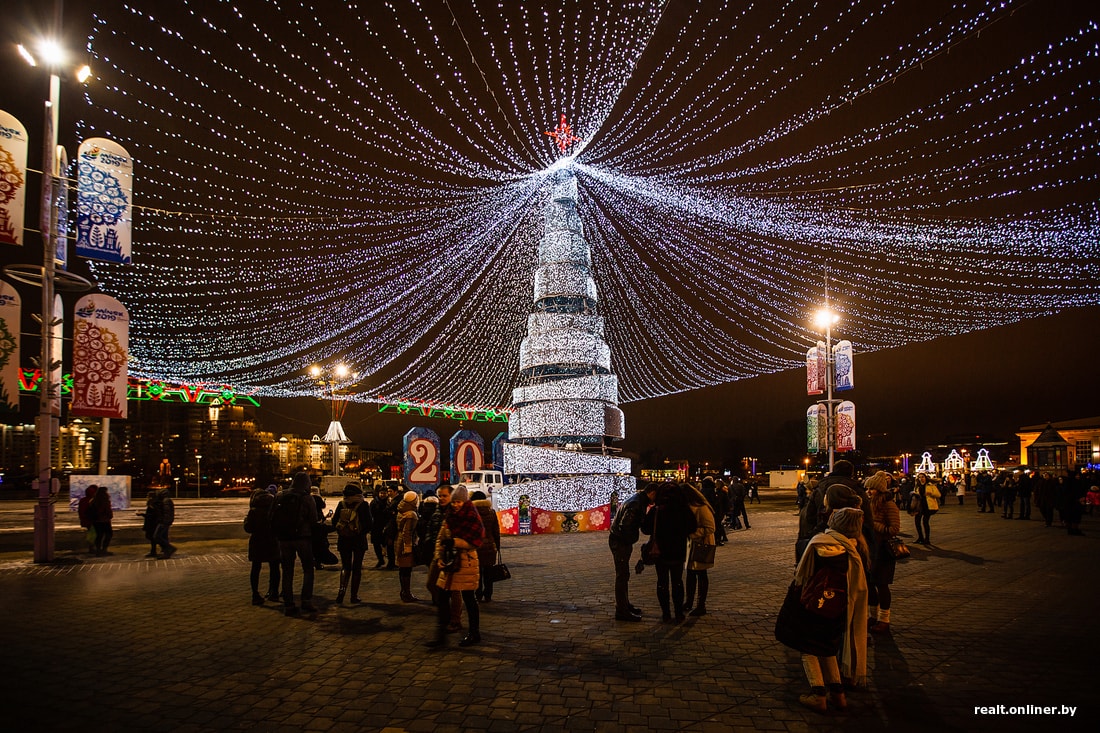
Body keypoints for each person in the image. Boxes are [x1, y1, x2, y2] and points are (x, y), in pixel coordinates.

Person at [774, 507, 869, 714]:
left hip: (812, 605)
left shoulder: (820, 544)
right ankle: (838, 694)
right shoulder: (855, 548)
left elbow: (802, 570)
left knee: (808, 649)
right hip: (838, 608)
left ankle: (818, 695)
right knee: (827, 649)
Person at [427, 484, 485, 648]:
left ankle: (474, 633)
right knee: (443, 596)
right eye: (454, 502)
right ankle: (441, 635)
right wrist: (439, 556)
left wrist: (454, 542)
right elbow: (441, 538)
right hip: (449, 562)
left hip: (466, 562)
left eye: (459, 502)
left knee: (469, 598)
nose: (456, 505)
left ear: (465, 501)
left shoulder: (472, 516)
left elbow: (475, 542)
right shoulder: (449, 516)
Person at [641, 482, 697, 622]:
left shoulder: (657, 510)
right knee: (677, 581)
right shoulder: (684, 509)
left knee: (662, 582)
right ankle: (678, 613)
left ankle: (666, 613)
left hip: (660, 551)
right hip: (678, 550)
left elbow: (645, 529)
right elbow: (692, 527)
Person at [607, 483, 658, 622]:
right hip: (620, 542)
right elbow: (625, 525)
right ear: (652, 492)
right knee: (622, 575)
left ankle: (624, 604)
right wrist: (630, 539)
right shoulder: (637, 503)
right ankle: (622, 610)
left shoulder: (637, 500)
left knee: (624, 574)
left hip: (620, 540)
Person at [271, 471, 319, 616]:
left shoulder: (280, 495)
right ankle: (306, 601)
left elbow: (271, 515)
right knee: (308, 569)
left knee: (287, 571)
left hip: (284, 539)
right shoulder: (307, 498)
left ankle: (289, 604)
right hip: (302, 538)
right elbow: (314, 519)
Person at [424, 485, 464, 633]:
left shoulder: (455, 513)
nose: (441, 498)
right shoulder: (437, 512)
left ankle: (455, 619)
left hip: (451, 556)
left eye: (444, 496)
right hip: (437, 553)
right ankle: (444, 610)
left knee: (454, 590)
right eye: (439, 496)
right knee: (431, 584)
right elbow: (431, 530)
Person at [864, 472, 900, 633]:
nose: (869, 491)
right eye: (868, 488)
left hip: (884, 549)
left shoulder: (889, 504)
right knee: (870, 583)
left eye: (872, 488)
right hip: (871, 548)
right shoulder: (869, 503)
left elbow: (894, 529)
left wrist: (874, 524)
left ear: (879, 489)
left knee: (882, 584)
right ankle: (873, 616)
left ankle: (884, 619)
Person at [331, 483, 372, 604]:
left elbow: (334, 521)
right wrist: (360, 532)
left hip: (344, 540)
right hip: (358, 540)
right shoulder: (363, 505)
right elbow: (369, 523)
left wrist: (342, 531)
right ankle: (354, 596)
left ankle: (341, 592)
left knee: (345, 566)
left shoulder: (341, 504)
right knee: (357, 567)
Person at [683, 482, 716, 617]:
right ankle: (689, 602)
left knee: (701, 574)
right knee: (690, 574)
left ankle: (701, 605)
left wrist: (691, 533)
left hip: (702, 544)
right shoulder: (689, 506)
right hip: (692, 545)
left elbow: (710, 528)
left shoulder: (702, 507)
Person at [245, 485, 281, 605]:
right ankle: (274, 592)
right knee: (274, 567)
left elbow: (248, 528)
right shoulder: (273, 508)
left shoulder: (254, 511)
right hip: (272, 540)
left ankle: (255, 594)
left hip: (257, 541)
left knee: (256, 568)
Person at [471, 490, 501, 603]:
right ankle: (488, 595)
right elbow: (496, 532)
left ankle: (478, 594)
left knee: (477, 572)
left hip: (476, 547)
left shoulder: (472, 513)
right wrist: (497, 546)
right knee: (489, 573)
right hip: (489, 547)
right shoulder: (492, 512)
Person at [396, 490, 422, 603]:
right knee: (406, 569)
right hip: (406, 543)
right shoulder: (411, 513)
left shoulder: (402, 509)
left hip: (399, 540)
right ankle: (406, 593)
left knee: (402, 569)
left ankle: (404, 592)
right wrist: (408, 546)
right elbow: (407, 532)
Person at [912, 472, 941, 545]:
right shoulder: (917, 486)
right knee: (917, 521)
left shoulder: (930, 485)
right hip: (919, 506)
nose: (921, 478)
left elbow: (938, 494)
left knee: (925, 522)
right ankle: (920, 537)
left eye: (922, 477)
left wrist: (930, 493)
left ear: (925, 478)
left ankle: (927, 539)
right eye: (919, 477)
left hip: (927, 505)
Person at [151, 486, 177, 558]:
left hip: (164, 522)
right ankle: (166, 552)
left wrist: (164, 521)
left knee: (157, 536)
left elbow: (167, 512)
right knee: (162, 536)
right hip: (165, 521)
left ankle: (169, 548)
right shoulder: (165, 500)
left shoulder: (166, 501)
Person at [368, 485, 389, 568]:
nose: (382, 495)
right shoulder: (374, 502)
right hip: (376, 526)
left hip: (386, 526)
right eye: (381, 493)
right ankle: (380, 559)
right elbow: (370, 515)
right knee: (376, 544)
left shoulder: (388, 502)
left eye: (384, 493)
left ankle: (388, 559)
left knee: (386, 543)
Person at [90, 484, 114, 555]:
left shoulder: (93, 501)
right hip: (105, 520)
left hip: (96, 521)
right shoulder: (105, 501)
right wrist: (110, 515)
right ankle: (104, 549)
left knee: (99, 535)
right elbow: (107, 511)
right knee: (108, 534)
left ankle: (98, 549)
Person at [77, 485, 97, 554]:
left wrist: (82, 518)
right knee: (94, 533)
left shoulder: (83, 500)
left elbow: (81, 511)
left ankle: (91, 547)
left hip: (87, 520)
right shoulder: (93, 500)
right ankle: (92, 547)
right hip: (93, 520)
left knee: (91, 533)